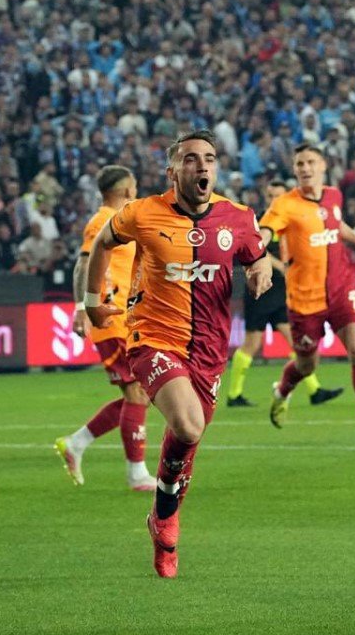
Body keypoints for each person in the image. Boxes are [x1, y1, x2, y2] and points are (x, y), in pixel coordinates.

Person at [83, 130, 272, 578]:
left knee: (188, 439)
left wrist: (260, 270)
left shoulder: (237, 217)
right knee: (188, 423)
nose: (201, 165)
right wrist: (91, 301)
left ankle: (162, 517)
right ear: (172, 171)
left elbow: (256, 254)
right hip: (152, 339)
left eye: (209, 158)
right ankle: (166, 519)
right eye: (190, 159)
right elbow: (103, 243)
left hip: (209, 351)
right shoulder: (143, 212)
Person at [258, 144, 355, 450]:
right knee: (307, 366)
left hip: (341, 290)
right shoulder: (284, 205)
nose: (305, 168)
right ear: (294, 170)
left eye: (310, 162)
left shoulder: (333, 196)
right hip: (305, 300)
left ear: (323, 166)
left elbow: (335, 223)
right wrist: (256, 250)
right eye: (299, 163)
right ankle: (282, 391)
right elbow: (265, 230)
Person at [54, 165, 156, 491]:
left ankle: (76, 443)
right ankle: (136, 473)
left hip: (127, 319)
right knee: (138, 392)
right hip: (110, 320)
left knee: (140, 393)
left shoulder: (122, 221)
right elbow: (83, 264)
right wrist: (81, 309)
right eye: (134, 186)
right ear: (127, 190)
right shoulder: (102, 221)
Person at [226, 178, 343, 408]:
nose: (274, 200)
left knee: (295, 342)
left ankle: (314, 390)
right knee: (251, 343)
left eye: (278, 196)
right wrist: (281, 266)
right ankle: (233, 394)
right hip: (260, 290)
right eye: (270, 196)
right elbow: (255, 250)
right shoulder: (259, 221)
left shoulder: (291, 220)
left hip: (281, 293)